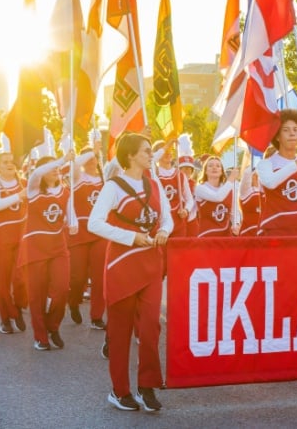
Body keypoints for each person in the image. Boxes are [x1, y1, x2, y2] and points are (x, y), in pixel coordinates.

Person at [87, 133, 172, 413]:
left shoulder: (155, 182)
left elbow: (167, 218)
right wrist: (130, 237)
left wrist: (163, 231)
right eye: (147, 151)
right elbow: (94, 224)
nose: (152, 155)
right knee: (120, 332)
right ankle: (119, 390)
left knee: (150, 327)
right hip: (122, 265)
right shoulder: (113, 187)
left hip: (150, 265)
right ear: (131, 155)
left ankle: (147, 386)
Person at [18, 142, 74, 351]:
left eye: (57, 169)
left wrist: (74, 223)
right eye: (51, 169)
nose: (55, 172)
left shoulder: (66, 191)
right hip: (34, 247)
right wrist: (61, 159)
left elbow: (70, 215)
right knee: (37, 295)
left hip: (58, 246)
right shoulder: (33, 189)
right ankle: (40, 336)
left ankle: (53, 326)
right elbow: (36, 173)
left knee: (61, 289)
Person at [0, 139, 28, 333]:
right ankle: (6, 319)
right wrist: (20, 196)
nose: (10, 164)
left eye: (11, 161)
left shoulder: (24, 183)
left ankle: (17, 306)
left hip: (20, 238)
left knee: (21, 278)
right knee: (0, 284)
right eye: (5, 162)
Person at [66, 140, 108, 330]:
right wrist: (92, 151)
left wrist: (98, 154)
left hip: (100, 232)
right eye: (88, 158)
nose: (92, 161)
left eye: (95, 158)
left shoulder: (105, 179)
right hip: (79, 232)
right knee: (78, 276)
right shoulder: (77, 176)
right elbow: (73, 164)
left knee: (100, 277)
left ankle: (96, 316)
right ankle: (73, 301)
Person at [194, 155, 239, 237]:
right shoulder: (200, 188)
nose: (214, 168)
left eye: (218, 166)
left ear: (221, 171)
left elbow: (234, 211)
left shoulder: (229, 188)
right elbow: (218, 197)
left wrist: (236, 224)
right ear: (205, 171)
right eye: (210, 166)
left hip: (226, 236)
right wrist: (231, 178)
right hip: (207, 236)